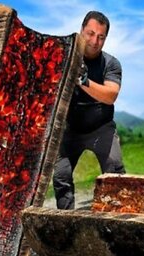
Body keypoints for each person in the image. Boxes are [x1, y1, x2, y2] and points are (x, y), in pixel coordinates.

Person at [53, 11, 126, 209]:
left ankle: (117, 220)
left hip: (101, 129)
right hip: (69, 129)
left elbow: (111, 96)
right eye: (90, 33)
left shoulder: (111, 64)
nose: (95, 41)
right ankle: (65, 221)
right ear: (81, 31)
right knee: (61, 176)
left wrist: (83, 81)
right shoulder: (62, 57)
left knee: (115, 172)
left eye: (101, 37)